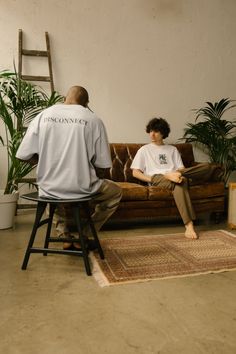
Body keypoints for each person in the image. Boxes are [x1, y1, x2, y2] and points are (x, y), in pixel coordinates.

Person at [16, 85, 122, 249]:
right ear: (86, 103)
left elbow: (24, 155)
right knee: (116, 192)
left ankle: (64, 236)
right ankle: (84, 234)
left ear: (64, 98)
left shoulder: (43, 116)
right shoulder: (93, 120)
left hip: (49, 188)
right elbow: (102, 167)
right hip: (81, 189)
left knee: (53, 196)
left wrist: (45, 162)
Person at [131, 117, 216, 239]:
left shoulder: (172, 149)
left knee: (207, 167)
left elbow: (181, 169)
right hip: (157, 178)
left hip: (176, 175)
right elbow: (135, 173)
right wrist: (154, 178)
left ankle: (172, 175)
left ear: (163, 133)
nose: (152, 134)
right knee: (181, 182)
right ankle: (189, 225)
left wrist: (177, 173)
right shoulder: (144, 150)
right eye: (150, 131)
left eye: (156, 131)